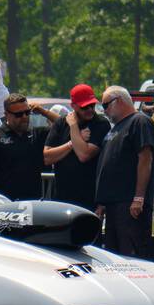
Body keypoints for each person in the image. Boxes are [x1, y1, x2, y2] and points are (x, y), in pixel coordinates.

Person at [94, 86, 154, 256]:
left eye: (106, 105)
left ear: (119, 101)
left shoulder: (139, 121)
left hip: (130, 204)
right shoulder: (115, 128)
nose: (104, 110)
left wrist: (138, 197)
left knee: (131, 257)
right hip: (113, 205)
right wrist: (102, 202)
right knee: (113, 257)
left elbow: (145, 158)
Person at [44, 84, 109, 212]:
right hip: (62, 197)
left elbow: (84, 155)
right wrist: (72, 143)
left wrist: (73, 127)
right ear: (73, 106)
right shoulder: (61, 123)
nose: (90, 109)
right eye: (85, 107)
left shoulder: (100, 123)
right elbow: (47, 157)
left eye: (92, 105)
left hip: (89, 198)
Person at [0, 93, 59, 200]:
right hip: (7, 201)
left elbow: (65, 125)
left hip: (35, 201)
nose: (24, 117)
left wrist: (43, 112)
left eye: (27, 113)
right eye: (18, 114)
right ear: (7, 114)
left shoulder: (37, 134)